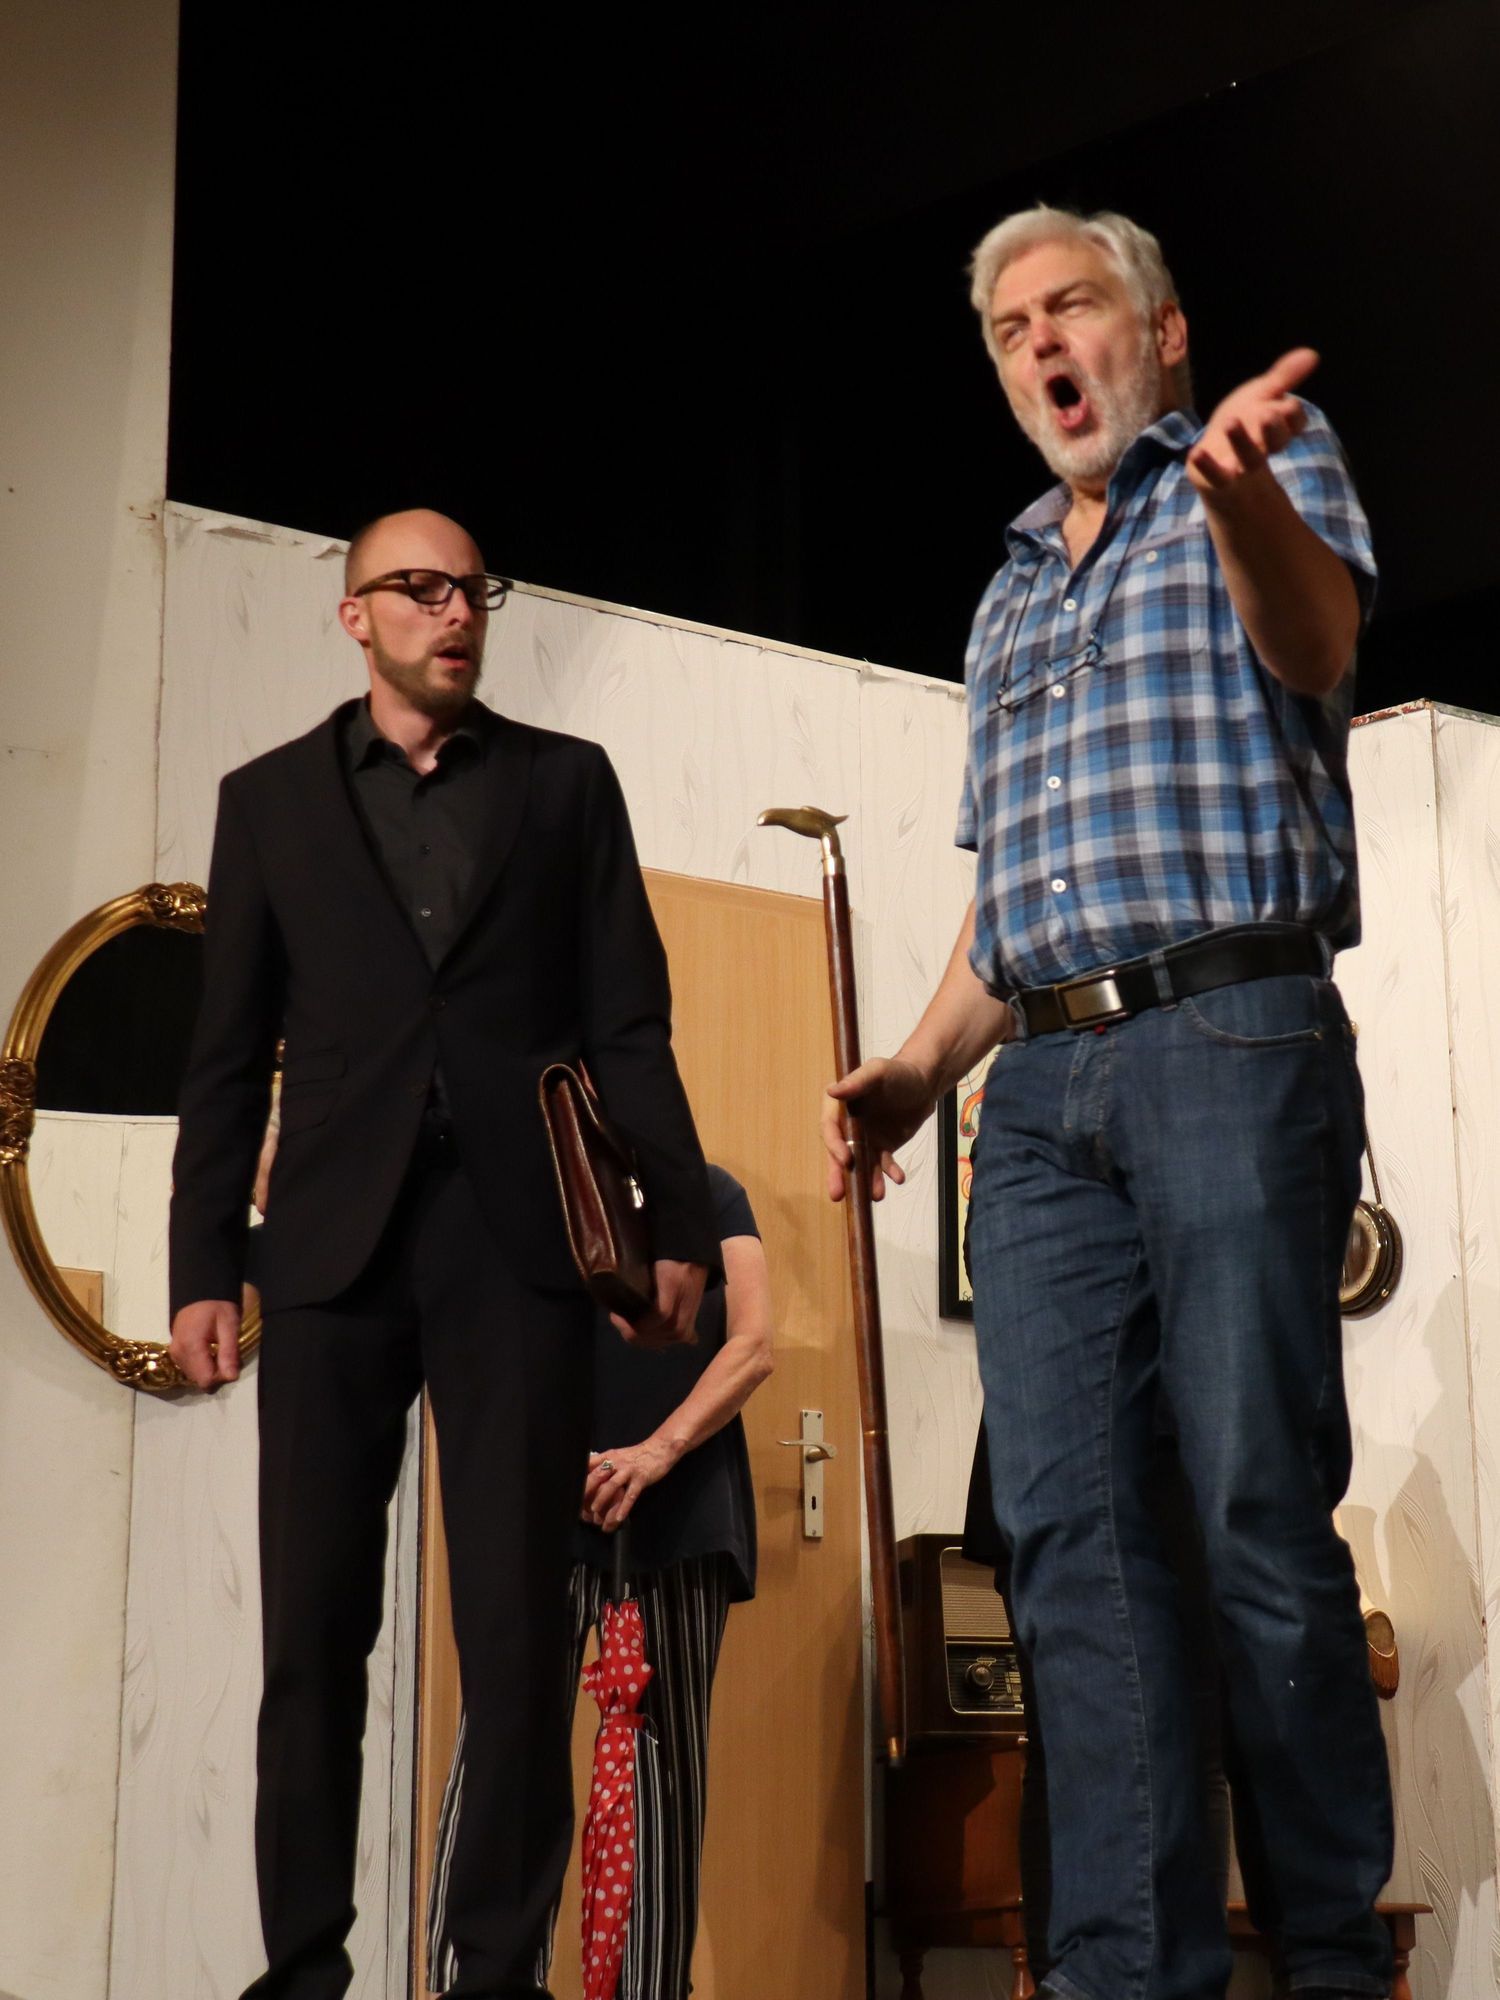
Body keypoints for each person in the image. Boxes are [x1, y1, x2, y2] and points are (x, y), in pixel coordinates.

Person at [822, 207, 1393, 2000]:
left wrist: (1237, 500)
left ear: (1161, 330)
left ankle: (1325, 1954)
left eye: (1071, 304)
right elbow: (1011, 907)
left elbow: (1317, 643)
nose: (1041, 343)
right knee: (1073, 1548)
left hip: (1228, 1035)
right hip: (1042, 1094)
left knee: (1251, 1509)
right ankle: (1125, 1973)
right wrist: (918, 1069)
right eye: (1009, 328)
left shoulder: (1257, 475)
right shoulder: (1005, 596)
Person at [168, 508, 718, 2000]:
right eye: (419, 589)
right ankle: (302, 1969)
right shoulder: (268, 801)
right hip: (329, 1253)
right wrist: (204, 1259)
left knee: (517, 1632)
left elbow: (630, 1023)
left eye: (474, 590)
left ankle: (494, 1971)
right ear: (355, 614)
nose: (455, 611)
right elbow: (226, 1056)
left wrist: (675, 1220)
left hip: (515, 1248)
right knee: (311, 1637)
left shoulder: (566, 785)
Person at [428, 1163, 772, 1999]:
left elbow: (754, 1344)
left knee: (663, 1772)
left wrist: (656, 1452)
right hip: (541, 1502)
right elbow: (476, 1334)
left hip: (680, 1508)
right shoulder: (523, 1183)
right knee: (502, 1749)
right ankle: (478, 1982)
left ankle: (647, 1987)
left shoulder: (709, 1193)